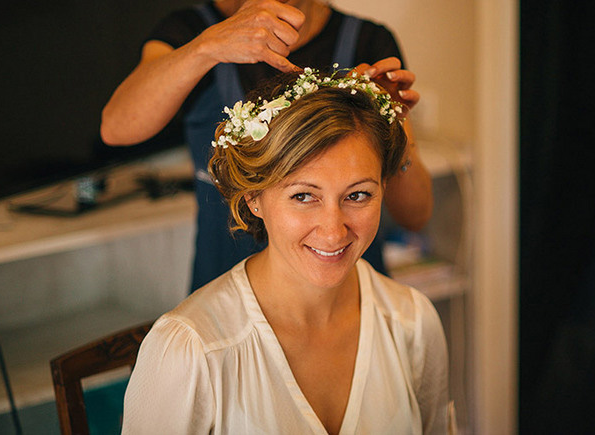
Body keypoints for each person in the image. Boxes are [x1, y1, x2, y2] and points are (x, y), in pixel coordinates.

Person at [121, 69, 453, 434]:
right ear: (254, 198)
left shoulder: (412, 324)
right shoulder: (192, 350)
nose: (333, 231)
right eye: (303, 196)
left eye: (357, 195)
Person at [101, 0, 433, 293]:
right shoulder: (187, 31)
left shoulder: (368, 42)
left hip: (348, 291)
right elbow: (116, 128)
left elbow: (416, 215)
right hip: (227, 284)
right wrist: (207, 47)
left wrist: (392, 123)